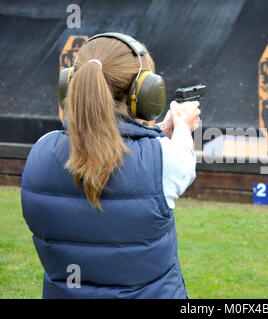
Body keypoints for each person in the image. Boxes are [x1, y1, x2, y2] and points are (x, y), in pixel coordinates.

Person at [20, 34, 200, 298]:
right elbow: (180, 158)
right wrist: (183, 125)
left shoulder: (41, 151)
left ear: (70, 83)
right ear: (146, 92)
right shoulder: (166, 160)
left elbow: (106, 144)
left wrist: (159, 131)